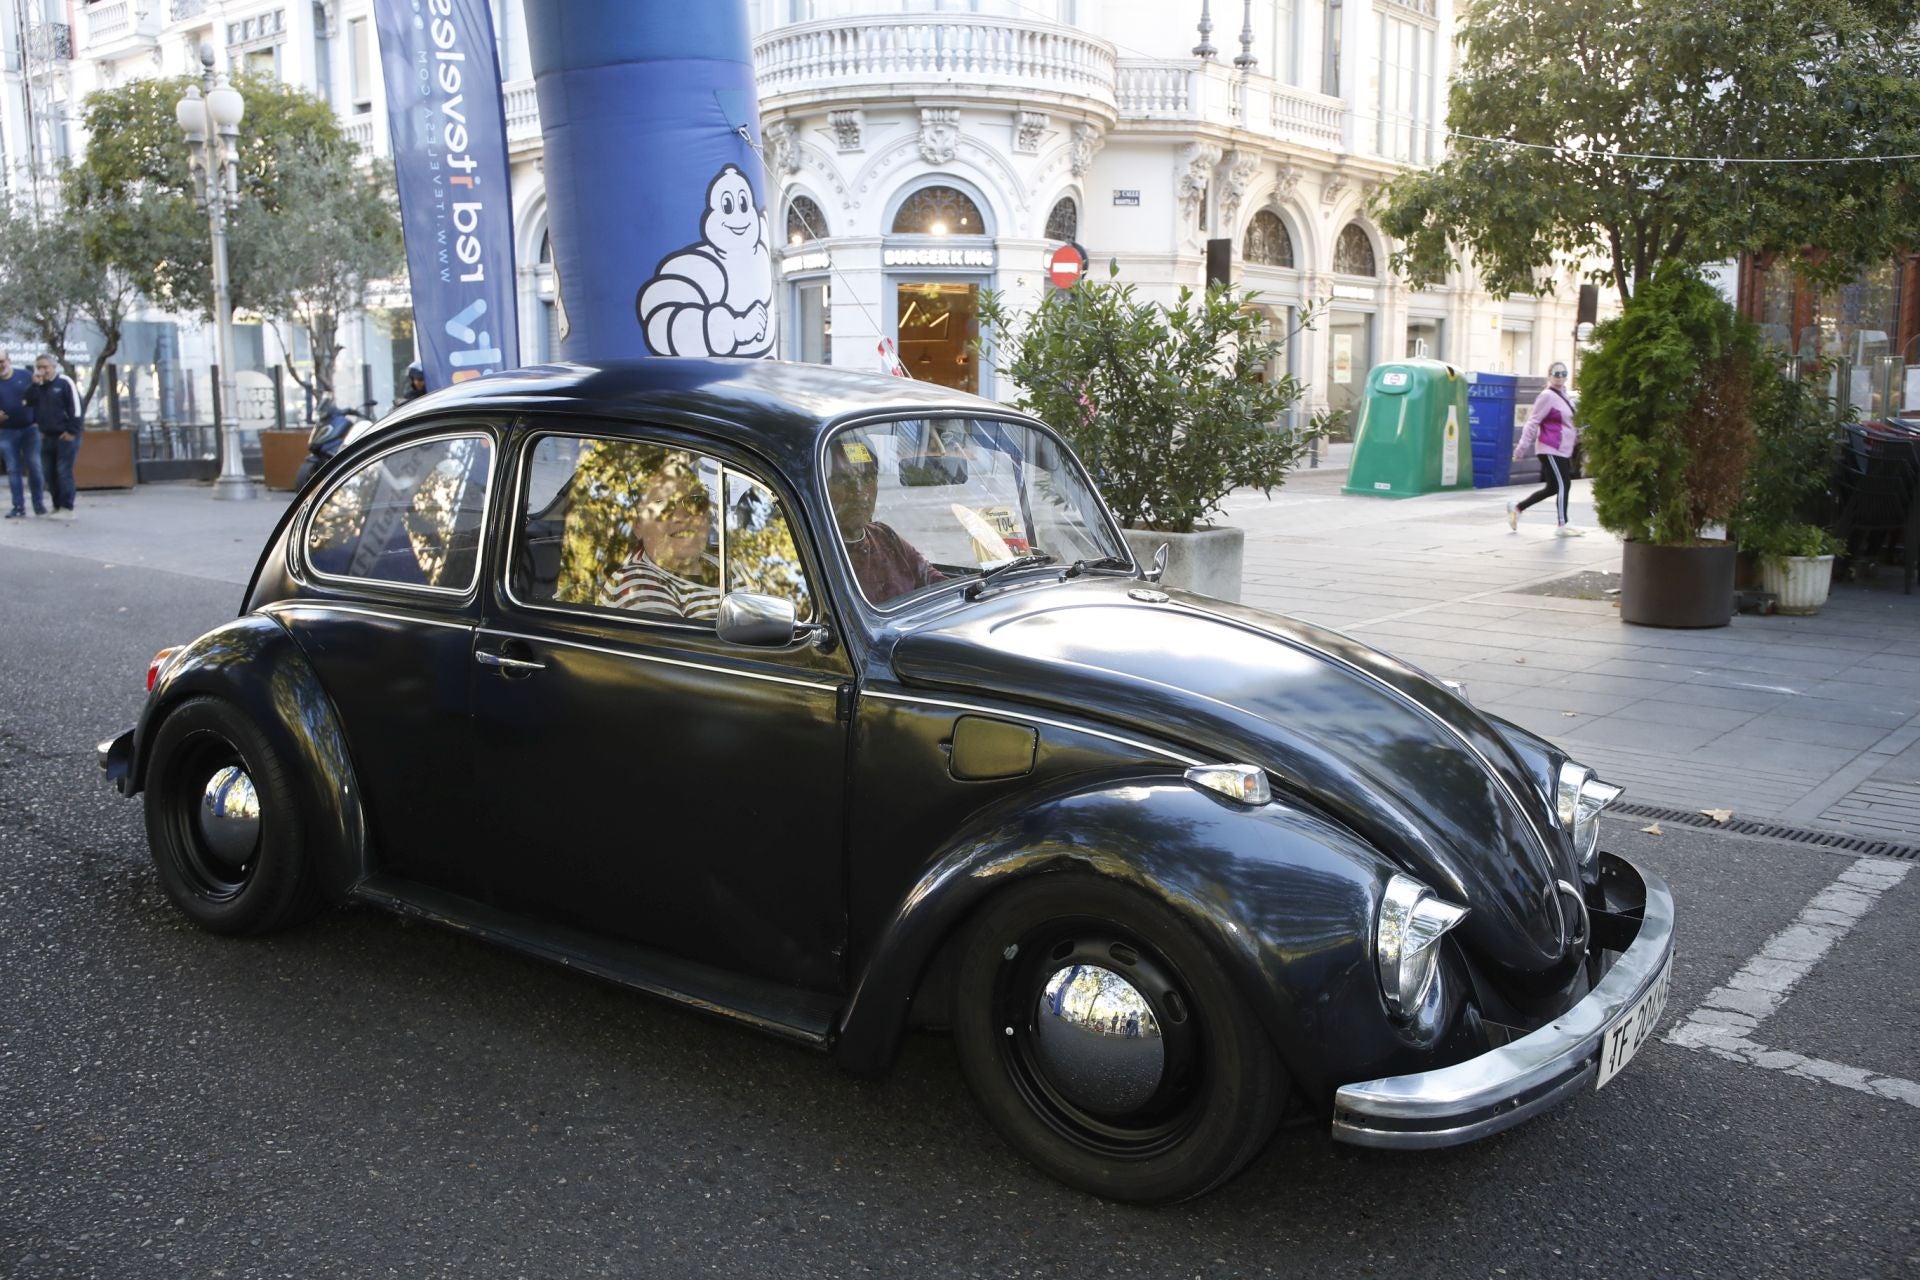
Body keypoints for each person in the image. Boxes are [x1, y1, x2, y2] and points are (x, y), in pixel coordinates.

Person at [825, 434, 945, 604]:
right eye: (843, 479)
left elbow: (935, 582)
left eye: (867, 478)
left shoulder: (884, 536)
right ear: (822, 487)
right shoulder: (821, 552)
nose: (859, 491)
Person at [1508, 362, 1583, 536]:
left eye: (1563, 373)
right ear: (1549, 375)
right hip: (1550, 448)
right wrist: (1521, 448)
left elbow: (1569, 423)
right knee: (1565, 483)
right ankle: (1562, 523)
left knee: (1553, 488)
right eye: (1556, 373)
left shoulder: (1564, 396)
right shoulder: (1547, 396)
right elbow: (1533, 422)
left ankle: (1517, 508)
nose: (1560, 377)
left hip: (1561, 449)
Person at [25, 354, 82, 519]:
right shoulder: (40, 387)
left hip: (65, 435)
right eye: (39, 367)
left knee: (63, 470)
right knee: (49, 472)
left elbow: (76, 408)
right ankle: (56, 505)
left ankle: (67, 507)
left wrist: (72, 430)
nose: (42, 371)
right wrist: (34, 385)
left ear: (53, 367)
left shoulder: (64, 383)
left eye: (45, 367)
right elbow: (27, 401)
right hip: (46, 436)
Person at [0, 349, 46, 518]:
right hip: (6, 431)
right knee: (13, 469)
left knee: (35, 466)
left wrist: (39, 422)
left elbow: (38, 398)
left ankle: (39, 505)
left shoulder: (25, 376)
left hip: (30, 429)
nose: (0, 366)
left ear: (9, 360)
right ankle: (18, 507)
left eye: (2, 361)